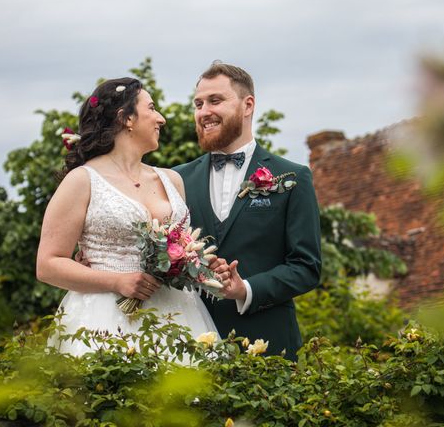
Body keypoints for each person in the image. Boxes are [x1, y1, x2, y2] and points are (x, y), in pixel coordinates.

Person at [36, 77, 218, 356]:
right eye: (152, 108)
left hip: (179, 315)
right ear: (126, 118)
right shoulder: (82, 181)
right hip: (105, 317)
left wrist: (195, 264)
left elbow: (181, 246)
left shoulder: (172, 180)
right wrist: (116, 281)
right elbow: (47, 265)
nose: (162, 119)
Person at [173, 62, 322, 361]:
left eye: (215, 101)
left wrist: (246, 290)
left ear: (247, 105)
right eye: (198, 104)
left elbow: (307, 267)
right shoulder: (175, 180)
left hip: (269, 349)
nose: (204, 112)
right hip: (189, 349)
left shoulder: (291, 178)